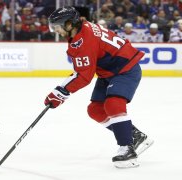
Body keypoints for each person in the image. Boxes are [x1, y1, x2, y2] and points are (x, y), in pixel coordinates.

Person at [44, 6, 154, 168]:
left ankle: (128, 149)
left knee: (113, 104)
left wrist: (60, 92)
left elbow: (83, 76)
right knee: (95, 110)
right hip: (108, 72)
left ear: (70, 24)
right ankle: (134, 135)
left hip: (125, 69)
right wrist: (61, 91)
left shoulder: (84, 41)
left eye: (58, 26)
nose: (56, 30)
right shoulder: (82, 27)